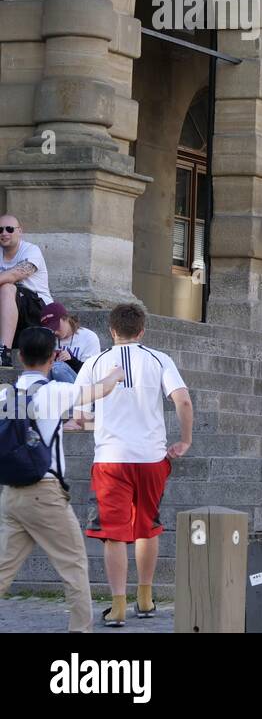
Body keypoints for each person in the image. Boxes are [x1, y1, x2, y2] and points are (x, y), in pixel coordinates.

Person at [72, 303, 194, 627]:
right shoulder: (159, 359)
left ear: (111, 331)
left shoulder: (95, 362)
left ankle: (118, 605)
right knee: (147, 526)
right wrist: (185, 439)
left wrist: (96, 424)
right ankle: (145, 595)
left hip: (111, 458)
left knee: (114, 534)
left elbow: (77, 410)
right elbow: (182, 399)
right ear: (142, 331)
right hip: (151, 457)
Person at [0, 327, 125, 632]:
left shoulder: (6, 393)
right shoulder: (54, 391)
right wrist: (116, 373)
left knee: (3, 569)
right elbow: (100, 390)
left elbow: (25, 426)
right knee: (74, 566)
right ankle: (80, 631)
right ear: (54, 357)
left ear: (19, 356)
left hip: (12, 494)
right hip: (45, 493)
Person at [0, 215, 52, 367]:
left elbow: (16, 274)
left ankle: (4, 353)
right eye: (0, 230)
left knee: (8, 287)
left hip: (38, 313)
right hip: (10, 317)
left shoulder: (31, 250)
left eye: (9, 229)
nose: (4, 233)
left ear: (20, 231)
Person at [40, 302, 101, 384]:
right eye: (50, 328)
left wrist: (72, 360)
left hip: (83, 389)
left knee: (58, 368)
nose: (54, 332)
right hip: (54, 389)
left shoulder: (88, 337)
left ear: (66, 318)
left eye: (56, 326)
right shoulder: (48, 339)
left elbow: (92, 374)